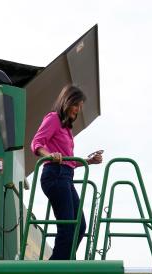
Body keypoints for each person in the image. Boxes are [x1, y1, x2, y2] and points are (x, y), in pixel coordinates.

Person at [30, 85, 103, 260]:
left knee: (80, 226)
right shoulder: (53, 118)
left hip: (65, 176)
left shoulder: (67, 129)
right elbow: (36, 143)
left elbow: (68, 161)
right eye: (76, 105)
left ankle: (62, 269)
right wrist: (50, 155)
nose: (78, 110)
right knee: (68, 227)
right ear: (67, 102)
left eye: (80, 107)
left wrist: (88, 161)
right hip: (54, 175)